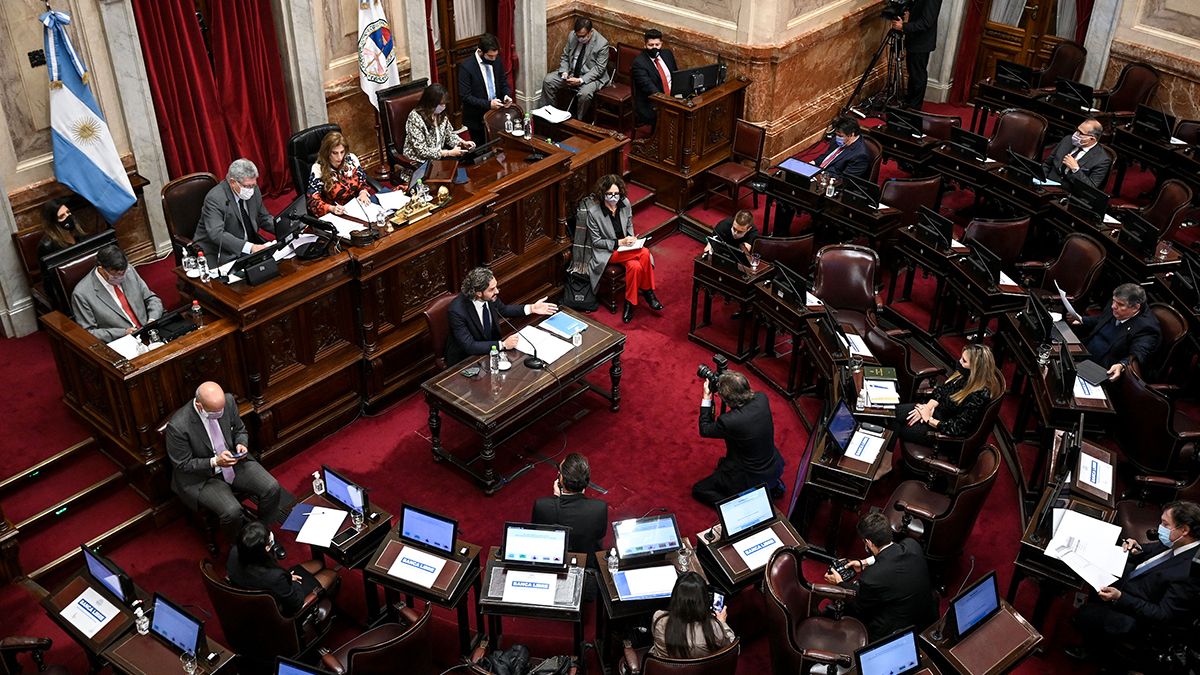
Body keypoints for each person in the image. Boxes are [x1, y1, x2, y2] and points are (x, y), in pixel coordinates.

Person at [1067, 501, 1200, 664]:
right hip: (1136, 581)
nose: (1160, 528)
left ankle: (1093, 651)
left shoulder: (1189, 573)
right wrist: (1138, 548)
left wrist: (1120, 597)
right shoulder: (1178, 540)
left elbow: (1163, 614)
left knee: (1084, 615)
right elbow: (1154, 550)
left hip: (1137, 612)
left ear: (1184, 530)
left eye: (1165, 524)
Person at [165, 381, 286, 551]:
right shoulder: (178, 426)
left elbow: (240, 429)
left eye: (221, 410)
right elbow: (182, 464)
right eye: (215, 412)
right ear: (199, 406)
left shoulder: (228, 401)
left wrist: (241, 444)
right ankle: (240, 548)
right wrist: (215, 461)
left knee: (271, 487)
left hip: (233, 463)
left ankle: (262, 536)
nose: (220, 414)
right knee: (232, 511)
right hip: (202, 478)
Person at [824, 511, 937, 641]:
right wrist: (864, 563)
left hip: (897, 631)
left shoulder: (872, 577)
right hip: (927, 618)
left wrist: (840, 583)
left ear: (868, 542)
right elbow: (892, 552)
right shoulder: (913, 546)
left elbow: (858, 605)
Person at [573, 174, 663, 324]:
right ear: (603, 194)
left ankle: (630, 303)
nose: (614, 197)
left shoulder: (625, 203)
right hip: (608, 252)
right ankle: (648, 292)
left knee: (635, 266)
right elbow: (597, 242)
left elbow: (629, 224)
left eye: (616, 193)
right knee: (645, 253)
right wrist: (620, 242)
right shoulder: (594, 213)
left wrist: (631, 238)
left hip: (627, 249)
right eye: (609, 194)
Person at [693, 371, 785, 506]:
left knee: (699, 489)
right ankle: (772, 487)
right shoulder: (762, 398)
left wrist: (707, 397)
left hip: (749, 477)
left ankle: (738, 505)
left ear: (725, 399)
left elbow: (705, 429)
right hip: (774, 467)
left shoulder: (730, 421)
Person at [531, 453, 608, 600]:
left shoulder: (543, 506)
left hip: (551, 567)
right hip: (585, 569)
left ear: (561, 480)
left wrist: (557, 499)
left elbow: (537, 535)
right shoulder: (599, 509)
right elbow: (599, 536)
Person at [445, 267, 558, 367]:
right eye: (492, 289)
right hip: (466, 360)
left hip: (490, 352)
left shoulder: (490, 297)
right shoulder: (457, 311)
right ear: (478, 293)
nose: (497, 291)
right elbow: (470, 346)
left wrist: (531, 308)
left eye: (495, 287)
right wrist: (502, 345)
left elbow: (503, 309)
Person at [893, 343, 1004, 445]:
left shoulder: (979, 395)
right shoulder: (963, 377)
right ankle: (888, 457)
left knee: (900, 428)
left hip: (943, 431)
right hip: (935, 412)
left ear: (975, 369)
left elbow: (957, 428)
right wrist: (927, 408)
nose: (959, 362)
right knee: (892, 413)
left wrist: (928, 419)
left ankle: (887, 458)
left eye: (964, 361)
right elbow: (941, 391)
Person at [226, 521, 339, 616]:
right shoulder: (275, 576)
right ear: (266, 548)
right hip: (282, 601)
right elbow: (296, 603)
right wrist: (290, 581)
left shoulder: (235, 551)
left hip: (260, 586)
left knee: (318, 563)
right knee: (331, 573)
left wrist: (287, 577)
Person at [70, 244, 163, 342]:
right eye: (116, 276)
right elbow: (89, 332)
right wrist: (123, 333)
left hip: (150, 332)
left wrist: (152, 320)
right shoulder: (82, 294)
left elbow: (151, 299)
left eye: (123, 274)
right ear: (101, 269)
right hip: (122, 342)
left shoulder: (129, 271)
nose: (121, 278)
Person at [1069, 283, 1160, 381]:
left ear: (1135, 308)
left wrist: (1122, 365)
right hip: (1084, 352)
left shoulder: (1147, 327)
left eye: (1120, 304)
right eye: (1113, 301)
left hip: (1102, 369)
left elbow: (1138, 354)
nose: (1113, 306)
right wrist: (1082, 320)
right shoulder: (1116, 305)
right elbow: (1102, 319)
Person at [196, 159, 276, 265]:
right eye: (247, 186)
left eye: (253, 185)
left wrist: (283, 227)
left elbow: (263, 217)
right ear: (233, 182)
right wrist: (250, 247)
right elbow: (217, 234)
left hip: (250, 244)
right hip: (222, 251)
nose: (251, 190)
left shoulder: (253, 189)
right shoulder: (215, 199)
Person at [650, 571, 736, 658]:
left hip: (665, 665)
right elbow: (733, 649)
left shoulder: (659, 618)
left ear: (675, 596)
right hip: (702, 666)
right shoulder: (715, 628)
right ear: (704, 599)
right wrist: (722, 623)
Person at [540, 18, 610, 120]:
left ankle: (578, 120)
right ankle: (551, 113)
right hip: (571, 73)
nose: (580, 39)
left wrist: (581, 80)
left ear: (590, 32)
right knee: (548, 80)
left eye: (583, 36)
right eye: (578, 36)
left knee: (584, 94)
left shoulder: (602, 44)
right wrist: (564, 71)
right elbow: (565, 56)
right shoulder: (572, 35)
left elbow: (599, 69)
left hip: (591, 78)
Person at [457, 33, 512, 144]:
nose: (494, 59)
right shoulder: (466, 67)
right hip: (477, 118)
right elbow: (465, 97)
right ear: (480, 51)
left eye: (495, 55)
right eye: (490, 56)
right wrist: (488, 104)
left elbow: (503, 82)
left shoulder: (496, 60)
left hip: (497, 114)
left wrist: (506, 95)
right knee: (482, 149)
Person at [305, 131, 375, 217]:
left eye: (342, 152)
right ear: (327, 152)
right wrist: (331, 208)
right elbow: (312, 201)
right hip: (337, 212)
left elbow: (362, 182)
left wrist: (363, 193)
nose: (340, 157)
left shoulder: (351, 159)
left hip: (358, 206)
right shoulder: (318, 168)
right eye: (335, 153)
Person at [404, 83, 475, 165]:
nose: (443, 106)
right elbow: (421, 150)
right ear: (430, 102)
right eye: (440, 104)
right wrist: (448, 153)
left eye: (444, 103)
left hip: (439, 155)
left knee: (466, 161)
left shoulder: (440, 114)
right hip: (420, 161)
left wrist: (462, 143)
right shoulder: (415, 117)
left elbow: (449, 135)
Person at [890, 0, 942, 110]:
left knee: (917, 75)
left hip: (922, 43)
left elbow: (926, 22)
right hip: (915, 40)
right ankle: (910, 102)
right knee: (913, 74)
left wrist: (903, 26)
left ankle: (914, 107)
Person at [1042, 119, 1111, 189]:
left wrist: (1075, 169)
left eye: (1080, 133)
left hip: (1069, 191)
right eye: (1077, 130)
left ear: (1092, 139)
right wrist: (1042, 180)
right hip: (1048, 182)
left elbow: (1091, 188)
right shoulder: (1067, 140)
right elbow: (1047, 163)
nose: (1075, 134)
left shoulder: (1102, 160)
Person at [631, 29, 678, 129]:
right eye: (651, 45)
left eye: (657, 45)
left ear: (661, 44)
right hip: (651, 102)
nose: (654, 48)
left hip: (673, 95)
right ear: (645, 45)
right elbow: (650, 88)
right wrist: (669, 101)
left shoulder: (667, 54)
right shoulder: (639, 63)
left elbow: (676, 75)